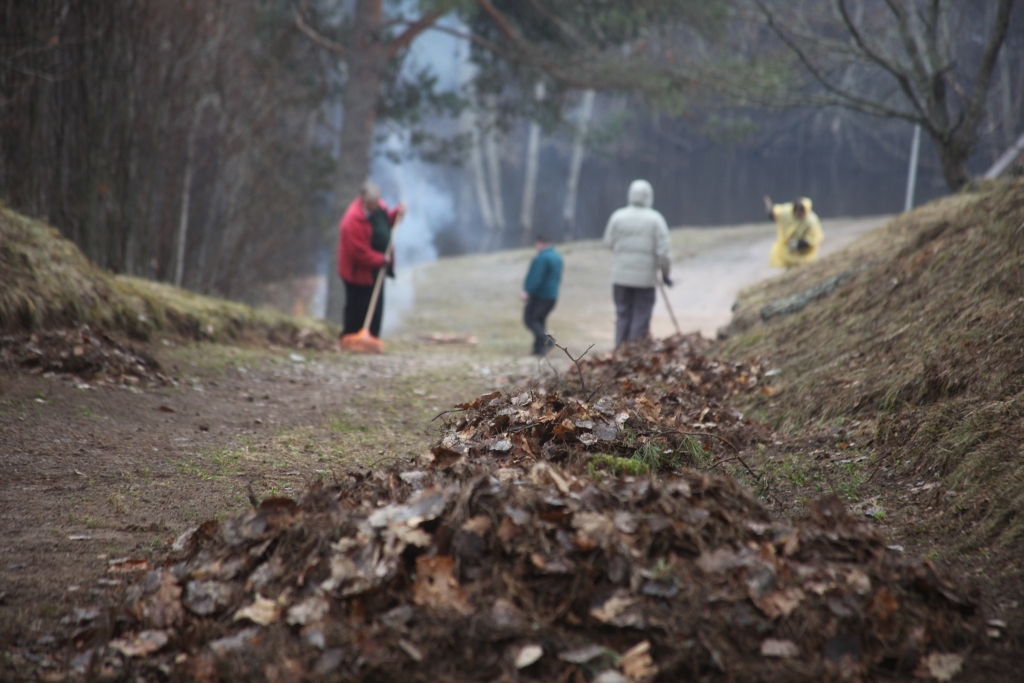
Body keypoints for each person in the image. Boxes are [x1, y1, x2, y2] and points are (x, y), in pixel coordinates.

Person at [603, 179, 672, 347]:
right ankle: (633, 354)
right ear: (649, 196)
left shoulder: (618, 216)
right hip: (645, 280)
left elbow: (608, 242)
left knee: (622, 315)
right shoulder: (656, 219)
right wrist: (665, 274)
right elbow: (663, 253)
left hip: (620, 278)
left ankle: (619, 351)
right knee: (641, 317)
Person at [338, 182, 405, 338]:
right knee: (358, 309)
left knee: (376, 309)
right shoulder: (352, 221)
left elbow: (385, 222)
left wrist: (397, 214)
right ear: (363, 200)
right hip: (357, 273)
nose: (375, 206)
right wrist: (381, 259)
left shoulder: (379, 207)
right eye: (371, 203)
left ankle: (372, 338)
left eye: (376, 202)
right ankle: (351, 339)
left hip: (375, 269)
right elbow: (359, 253)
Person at [521, 235, 564, 356]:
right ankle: (538, 349)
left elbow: (536, 277)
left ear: (540, 243)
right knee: (540, 320)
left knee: (530, 319)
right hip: (552, 296)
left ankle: (547, 341)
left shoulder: (542, 258)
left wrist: (528, 291)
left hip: (540, 295)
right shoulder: (557, 256)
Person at [766, 196, 824, 268]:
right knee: (787, 261)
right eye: (797, 211)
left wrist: (798, 244)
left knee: (805, 265)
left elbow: (815, 238)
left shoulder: (811, 221)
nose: (799, 214)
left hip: (804, 250)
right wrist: (770, 211)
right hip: (788, 246)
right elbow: (775, 213)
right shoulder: (787, 212)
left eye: (801, 211)